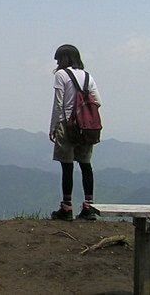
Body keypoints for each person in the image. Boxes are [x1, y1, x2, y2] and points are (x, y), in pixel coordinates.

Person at [49, 44, 102, 221]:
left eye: (58, 59)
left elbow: (58, 104)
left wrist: (54, 127)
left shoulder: (61, 75)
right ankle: (89, 206)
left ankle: (66, 207)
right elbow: (98, 101)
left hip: (68, 125)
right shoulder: (88, 76)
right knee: (86, 165)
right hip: (87, 127)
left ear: (63, 59)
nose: (56, 62)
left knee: (67, 166)